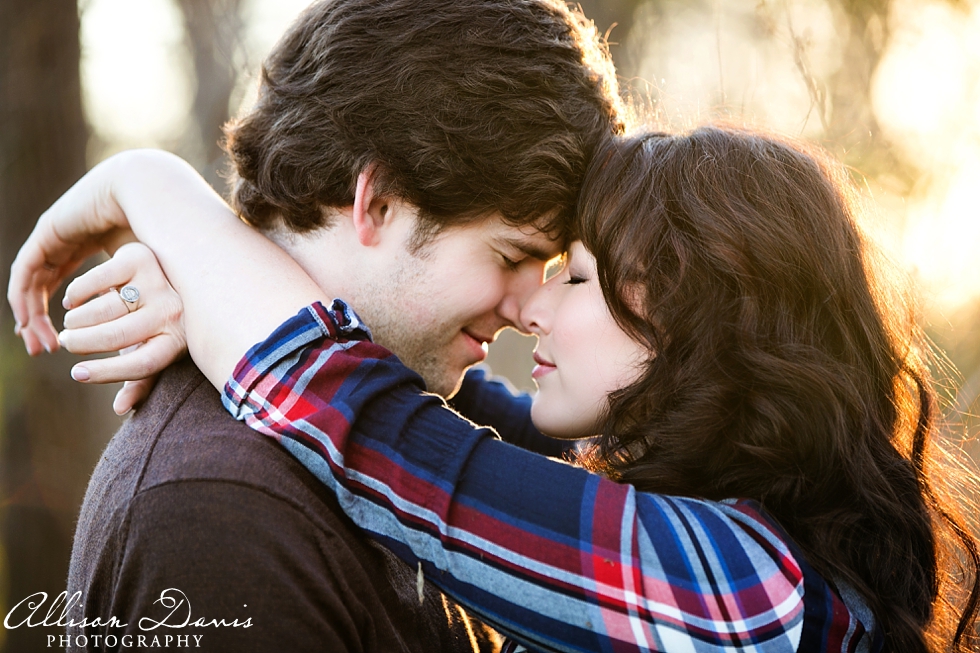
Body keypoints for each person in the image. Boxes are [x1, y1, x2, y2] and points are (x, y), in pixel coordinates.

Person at [13, 126, 980, 652]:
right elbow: (411, 390)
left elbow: (368, 426)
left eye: (578, 277)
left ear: (702, 331)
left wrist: (152, 188)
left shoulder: (736, 587)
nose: (537, 311)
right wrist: (208, 277)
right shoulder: (717, 530)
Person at [6, 0, 624, 649]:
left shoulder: (421, 410)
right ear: (376, 201)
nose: (533, 310)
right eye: (512, 256)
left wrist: (168, 208)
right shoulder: (220, 516)